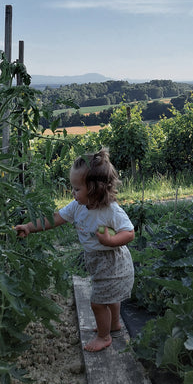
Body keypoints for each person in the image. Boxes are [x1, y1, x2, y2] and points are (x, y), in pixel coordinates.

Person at [15, 148, 135, 352]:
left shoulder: (111, 210)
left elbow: (129, 233)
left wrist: (110, 240)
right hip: (98, 261)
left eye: (77, 189)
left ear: (95, 189)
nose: (73, 193)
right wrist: (29, 227)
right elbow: (55, 218)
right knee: (109, 298)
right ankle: (113, 324)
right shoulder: (78, 206)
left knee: (98, 303)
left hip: (113, 262)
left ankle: (104, 336)